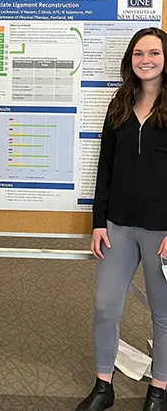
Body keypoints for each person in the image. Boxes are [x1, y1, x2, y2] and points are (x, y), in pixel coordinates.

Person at [75, 27, 167, 411]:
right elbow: (105, 166)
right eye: (138, 53)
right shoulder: (120, 102)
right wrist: (99, 221)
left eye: (154, 53)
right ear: (130, 59)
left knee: (163, 313)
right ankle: (103, 385)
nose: (145, 59)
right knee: (105, 305)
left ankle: (159, 388)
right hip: (118, 226)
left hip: (162, 231)